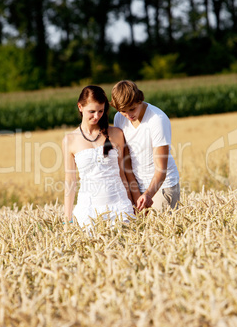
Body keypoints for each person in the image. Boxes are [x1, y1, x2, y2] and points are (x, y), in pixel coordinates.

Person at [62, 85, 134, 229]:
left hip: (119, 207)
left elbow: (122, 173)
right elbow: (70, 180)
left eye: (101, 111)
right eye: (92, 111)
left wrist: (132, 206)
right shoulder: (70, 140)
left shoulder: (116, 134)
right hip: (88, 212)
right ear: (80, 107)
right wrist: (67, 218)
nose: (96, 116)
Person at [111, 80, 180, 212]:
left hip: (163, 186)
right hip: (137, 186)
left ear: (139, 100)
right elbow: (126, 161)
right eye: (123, 111)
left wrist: (147, 195)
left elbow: (161, 169)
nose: (128, 115)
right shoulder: (119, 118)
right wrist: (136, 193)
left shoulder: (157, 119)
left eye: (132, 109)